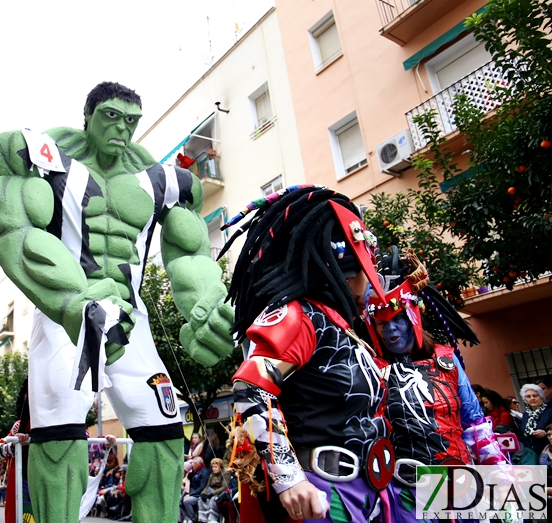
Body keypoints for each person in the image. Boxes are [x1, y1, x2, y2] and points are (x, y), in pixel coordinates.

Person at [0, 81, 235, 523]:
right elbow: (11, 227)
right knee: (59, 442)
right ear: (89, 116)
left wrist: (206, 304)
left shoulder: (161, 180)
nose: (122, 128)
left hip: (133, 323)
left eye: (131, 120)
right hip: (66, 318)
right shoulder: (45, 157)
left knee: (164, 440)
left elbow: (190, 249)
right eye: (111, 116)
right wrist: (71, 300)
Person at [221, 186, 392, 522]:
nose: (370, 284)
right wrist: (288, 478)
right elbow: (251, 388)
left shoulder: (345, 328)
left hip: (370, 493)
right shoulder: (300, 316)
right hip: (326, 499)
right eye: (362, 270)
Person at [365, 248, 508, 522]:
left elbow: (474, 422)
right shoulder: (371, 367)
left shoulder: (446, 358)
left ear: (415, 316)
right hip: (407, 494)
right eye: (382, 324)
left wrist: (501, 477)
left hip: (462, 485)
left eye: (398, 319)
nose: (391, 331)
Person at [519, 383, 552, 455]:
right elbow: (522, 434)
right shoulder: (525, 415)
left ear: (541, 397)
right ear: (525, 400)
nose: (532, 398)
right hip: (530, 454)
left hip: (547, 453)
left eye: (535, 395)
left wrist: (545, 434)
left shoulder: (550, 411)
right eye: (528, 396)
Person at [196, 458, 232, 523]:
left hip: (221, 492)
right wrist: (203, 493)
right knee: (200, 499)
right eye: (212, 467)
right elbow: (207, 486)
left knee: (213, 499)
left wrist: (213, 493)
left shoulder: (226, 473)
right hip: (211, 491)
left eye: (216, 467)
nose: (213, 469)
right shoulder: (212, 474)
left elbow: (224, 487)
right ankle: (202, 519)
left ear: (220, 467)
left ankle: (212, 518)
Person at [179, 457, 208, 523]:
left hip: (198, 494)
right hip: (192, 492)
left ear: (198, 464)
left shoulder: (204, 472)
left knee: (187, 501)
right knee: (180, 500)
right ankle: (185, 517)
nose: (192, 465)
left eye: (194, 463)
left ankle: (192, 518)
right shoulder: (195, 471)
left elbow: (202, 487)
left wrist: (190, 494)